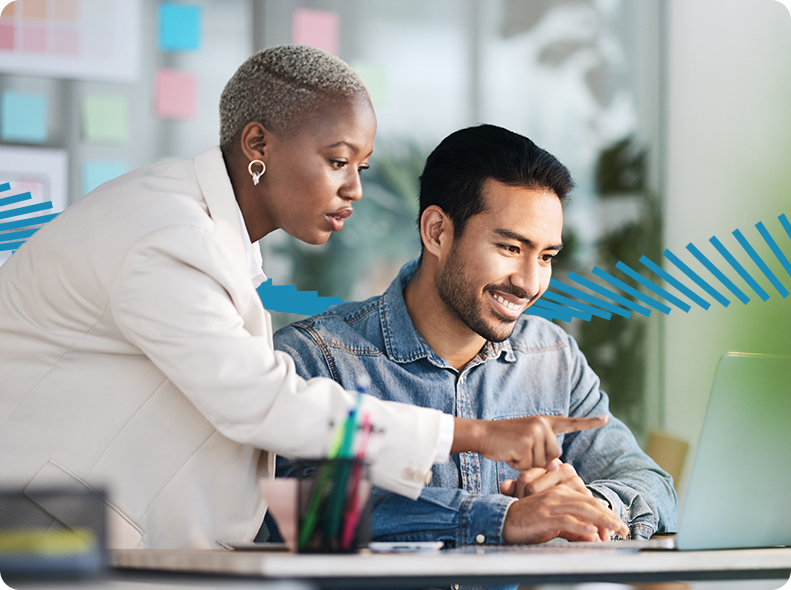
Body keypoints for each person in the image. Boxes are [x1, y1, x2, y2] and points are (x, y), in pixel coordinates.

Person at [0, 48, 605, 549]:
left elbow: (640, 480)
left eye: (363, 167)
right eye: (338, 161)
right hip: (49, 541)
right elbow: (273, 436)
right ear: (257, 144)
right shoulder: (172, 242)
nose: (355, 190)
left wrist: (589, 509)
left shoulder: (551, 357)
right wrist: (473, 449)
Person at [274, 124, 678, 546]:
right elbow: (299, 511)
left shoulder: (551, 356)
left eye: (546, 256)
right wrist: (498, 518)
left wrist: (585, 504)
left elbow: (650, 483)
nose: (529, 282)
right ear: (437, 232)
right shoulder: (316, 359)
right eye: (510, 248)